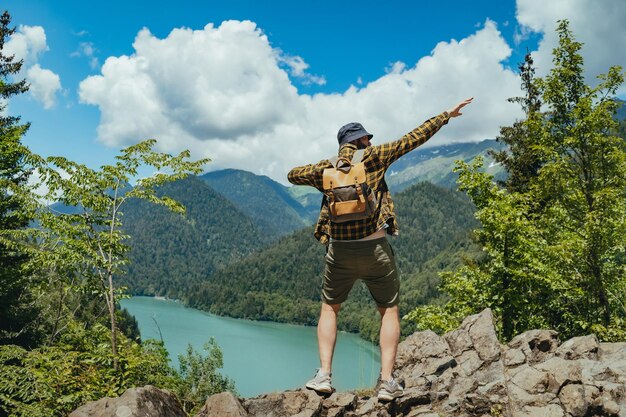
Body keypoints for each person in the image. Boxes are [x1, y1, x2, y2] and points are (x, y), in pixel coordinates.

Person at [287, 98, 473, 401]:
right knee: (388, 310)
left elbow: (293, 174)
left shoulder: (326, 169)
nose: (369, 141)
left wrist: (324, 169)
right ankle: (386, 382)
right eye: (366, 138)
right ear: (359, 140)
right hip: (376, 249)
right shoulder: (374, 158)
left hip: (340, 253)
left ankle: (324, 376)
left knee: (330, 309)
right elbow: (414, 137)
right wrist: (446, 116)